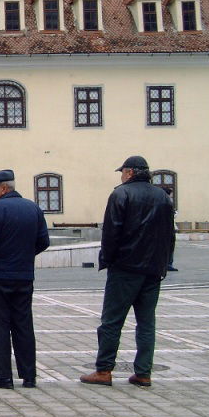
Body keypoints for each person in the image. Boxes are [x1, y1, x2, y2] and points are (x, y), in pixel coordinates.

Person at [81, 155, 175, 388]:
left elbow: (111, 233)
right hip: (153, 269)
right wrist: (164, 263)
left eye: (122, 171)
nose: (121, 176)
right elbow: (169, 234)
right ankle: (143, 372)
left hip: (125, 268)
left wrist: (108, 260)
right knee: (146, 322)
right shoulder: (162, 197)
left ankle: (104, 370)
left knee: (112, 321)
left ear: (130, 172)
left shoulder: (121, 194)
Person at [0, 169, 50, 389]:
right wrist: (24, 256)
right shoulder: (33, 208)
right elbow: (43, 241)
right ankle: (29, 376)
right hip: (24, 275)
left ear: (4, 188)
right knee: (23, 324)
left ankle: (3, 377)